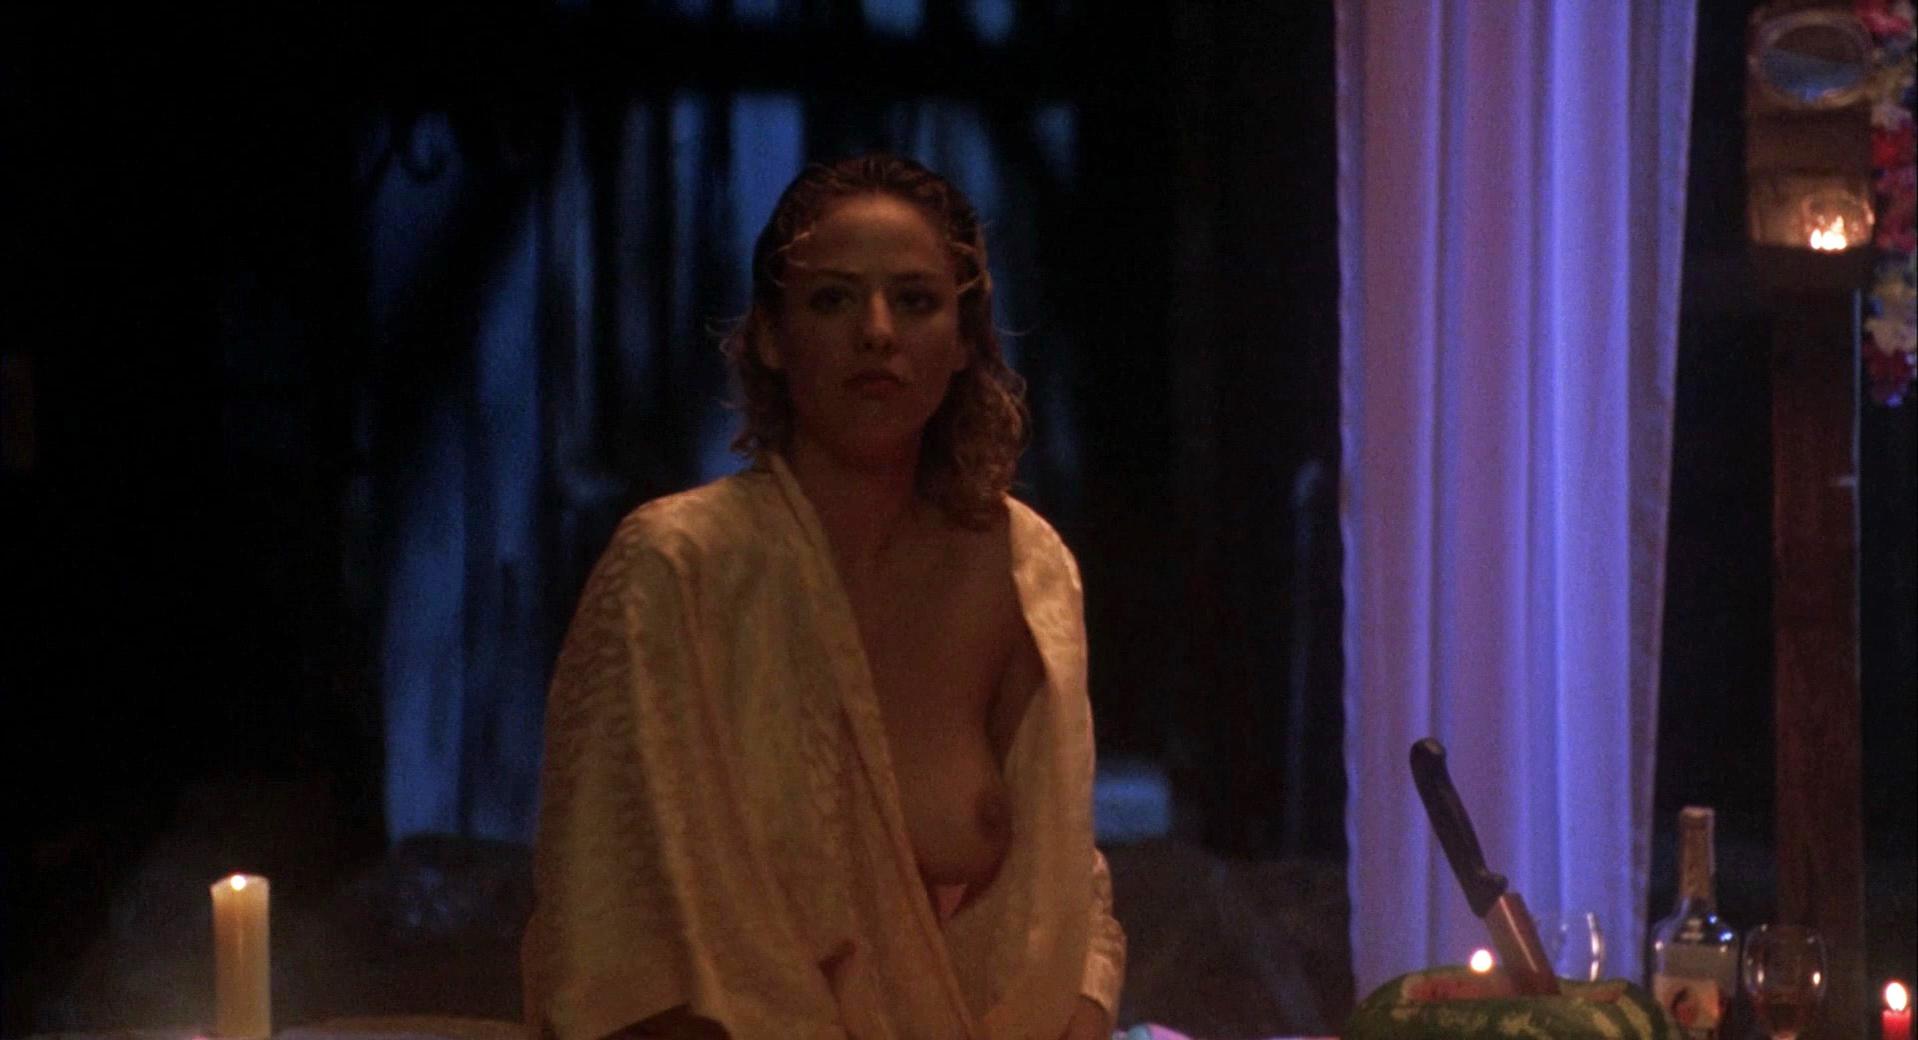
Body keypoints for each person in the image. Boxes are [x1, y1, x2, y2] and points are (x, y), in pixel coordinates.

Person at [521, 154, 1125, 1040]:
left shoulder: (1025, 568)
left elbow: (1066, 891)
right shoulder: (676, 569)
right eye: (833, 300)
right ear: (770, 336)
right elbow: (612, 935)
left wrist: (1082, 1008)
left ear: (964, 340)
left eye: (915, 301)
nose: (876, 332)